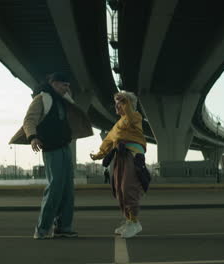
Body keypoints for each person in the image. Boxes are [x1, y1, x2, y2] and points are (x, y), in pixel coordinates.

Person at [9, 72, 93, 239]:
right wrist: (33, 138)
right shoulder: (42, 99)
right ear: (54, 83)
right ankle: (42, 229)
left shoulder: (64, 100)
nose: (67, 88)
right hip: (51, 149)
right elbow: (29, 120)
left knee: (68, 189)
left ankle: (63, 227)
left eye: (68, 85)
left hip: (64, 147)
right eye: (64, 85)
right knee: (55, 187)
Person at [90, 90, 147, 239]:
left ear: (129, 104)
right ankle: (129, 221)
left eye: (120, 104)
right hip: (120, 157)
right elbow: (108, 141)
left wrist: (125, 101)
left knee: (128, 187)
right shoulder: (116, 125)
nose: (117, 107)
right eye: (116, 104)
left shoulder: (135, 116)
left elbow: (128, 117)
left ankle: (135, 222)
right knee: (119, 190)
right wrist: (99, 154)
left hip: (133, 156)